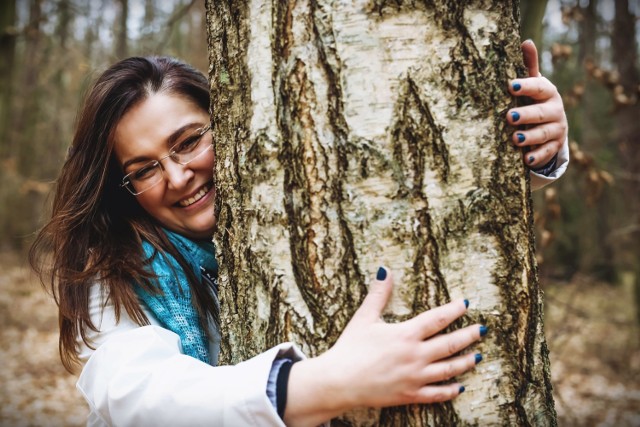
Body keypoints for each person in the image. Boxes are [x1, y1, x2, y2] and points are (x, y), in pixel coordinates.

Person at [29, 40, 568, 426]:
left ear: (237, 124)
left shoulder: (282, 199)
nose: (176, 176)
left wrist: (529, 146)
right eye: (144, 169)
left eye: (190, 141)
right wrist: (325, 384)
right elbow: (135, 395)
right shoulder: (120, 268)